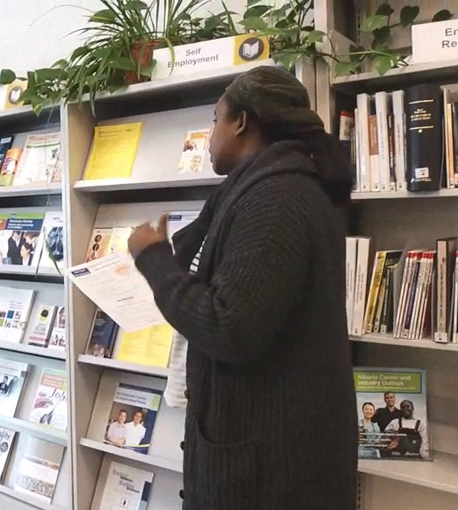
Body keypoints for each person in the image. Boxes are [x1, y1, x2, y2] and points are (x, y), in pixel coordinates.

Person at [127, 66, 357, 509]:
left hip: (270, 468)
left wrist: (152, 260)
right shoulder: (265, 188)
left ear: (241, 122)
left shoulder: (277, 198)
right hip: (267, 447)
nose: (211, 135)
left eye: (215, 120)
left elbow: (230, 326)